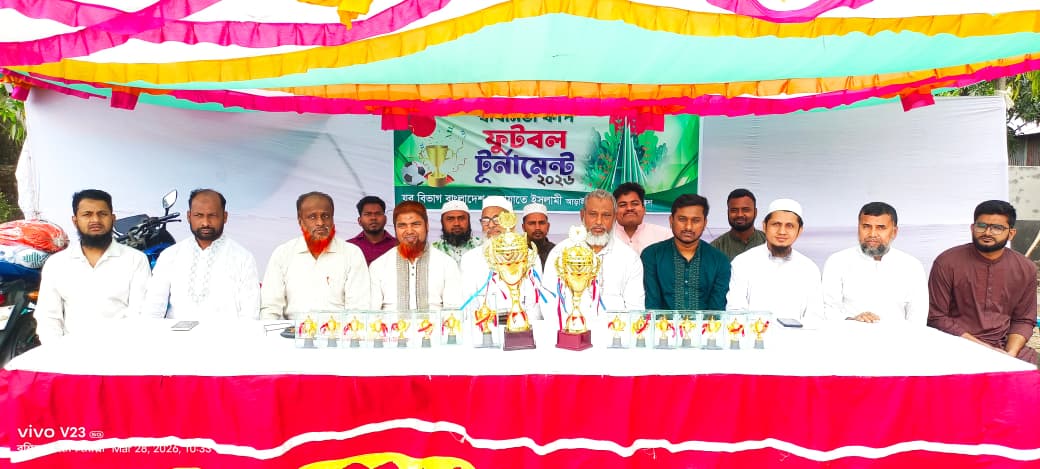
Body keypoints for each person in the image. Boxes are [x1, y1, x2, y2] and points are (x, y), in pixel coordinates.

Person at [928, 200, 1038, 367]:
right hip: (956, 345)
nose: (987, 232)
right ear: (972, 228)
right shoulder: (947, 262)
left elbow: (1023, 319)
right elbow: (936, 317)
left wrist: (1010, 354)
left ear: (1011, 233)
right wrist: (986, 351)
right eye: (981, 226)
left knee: (1030, 369)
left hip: (1004, 347)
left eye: (997, 228)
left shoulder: (1025, 268)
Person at [36, 189, 151, 342]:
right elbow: (48, 317)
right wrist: (57, 351)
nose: (95, 220)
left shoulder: (135, 260)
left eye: (102, 214)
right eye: (87, 214)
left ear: (113, 219)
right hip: (71, 352)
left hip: (122, 349)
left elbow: (139, 313)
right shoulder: (57, 264)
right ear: (75, 220)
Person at [143, 189, 260, 319]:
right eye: (198, 215)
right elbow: (153, 309)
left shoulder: (243, 258)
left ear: (225, 217)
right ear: (189, 216)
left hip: (226, 332)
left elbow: (250, 315)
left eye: (212, 215)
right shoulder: (170, 256)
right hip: (175, 332)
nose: (205, 223)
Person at [260, 192, 370, 320]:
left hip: (339, 331)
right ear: (300, 221)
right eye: (312, 217)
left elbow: (358, 309)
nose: (320, 222)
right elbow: (270, 308)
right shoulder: (283, 254)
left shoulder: (352, 253)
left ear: (333, 219)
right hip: (293, 330)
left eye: (326, 216)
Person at [821, 202, 927, 323]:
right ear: (858, 228)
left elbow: (918, 317)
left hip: (897, 334)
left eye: (881, 228)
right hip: (849, 332)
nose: (872, 234)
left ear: (894, 232)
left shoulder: (912, 266)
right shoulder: (837, 261)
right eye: (866, 227)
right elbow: (827, 309)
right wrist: (852, 320)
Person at [544, 190, 645, 315]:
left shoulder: (629, 258)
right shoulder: (560, 253)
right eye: (593, 214)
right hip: (570, 326)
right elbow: (549, 301)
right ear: (582, 215)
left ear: (614, 218)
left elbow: (635, 308)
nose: (599, 221)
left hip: (616, 327)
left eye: (606, 215)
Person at [727, 198, 823, 321]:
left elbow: (815, 317)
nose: (782, 231)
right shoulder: (743, 263)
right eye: (776, 224)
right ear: (764, 226)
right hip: (754, 332)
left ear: (799, 231)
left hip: (797, 333)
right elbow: (735, 311)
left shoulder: (809, 268)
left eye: (790, 226)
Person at [460, 196, 545, 320]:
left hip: (523, 325)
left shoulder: (529, 255)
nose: (491, 225)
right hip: (484, 326)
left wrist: (522, 325)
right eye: (485, 220)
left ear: (511, 222)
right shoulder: (470, 258)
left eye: (497, 219)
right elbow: (469, 304)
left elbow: (536, 304)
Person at [642, 194, 730, 310]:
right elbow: (652, 305)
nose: (688, 227)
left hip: (707, 322)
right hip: (662, 322)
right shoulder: (652, 255)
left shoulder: (719, 261)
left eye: (696, 220)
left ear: (705, 223)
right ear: (671, 220)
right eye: (682, 219)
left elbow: (717, 310)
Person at [370, 201, 462, 311]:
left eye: (415, 224)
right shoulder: (378, 266)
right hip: (391, 323)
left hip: (436, 322)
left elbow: (453, 311)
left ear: (427, 226)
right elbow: (372, 313)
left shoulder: (446, 264)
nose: (409, 231)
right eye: (402, 226)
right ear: (395, 229)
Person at [612, 182, 671, 254]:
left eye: (635, 204)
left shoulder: (665, 236)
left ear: (644, 209)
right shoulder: (605, 236)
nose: (629, 208)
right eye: (623, 205)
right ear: (614, 211)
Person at [710, 188, 767, 260]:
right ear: (728, 213)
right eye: (734, 210)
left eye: (745, 210)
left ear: (755, 212)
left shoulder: (768, 242)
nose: (740, 215)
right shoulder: (715, 248)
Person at [346, 196, 397, 265]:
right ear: (359, 221)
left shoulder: (397, 246)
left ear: (385, 219)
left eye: (378, 214)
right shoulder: (348, 247)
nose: (373, 218)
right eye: (368, 214)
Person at [432, 200, 480, 265]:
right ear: (442, 222)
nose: (456, 223)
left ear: (469, 221)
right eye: (450, 219)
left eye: (461, 218)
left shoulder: (482, 248)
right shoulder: (433, 250)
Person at [521, 202, 555, 269]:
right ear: (523, 227)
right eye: (532, 223)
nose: (537, 227)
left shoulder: (556, 251)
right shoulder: (517, 252)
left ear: (548, 226)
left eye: (541, 223)